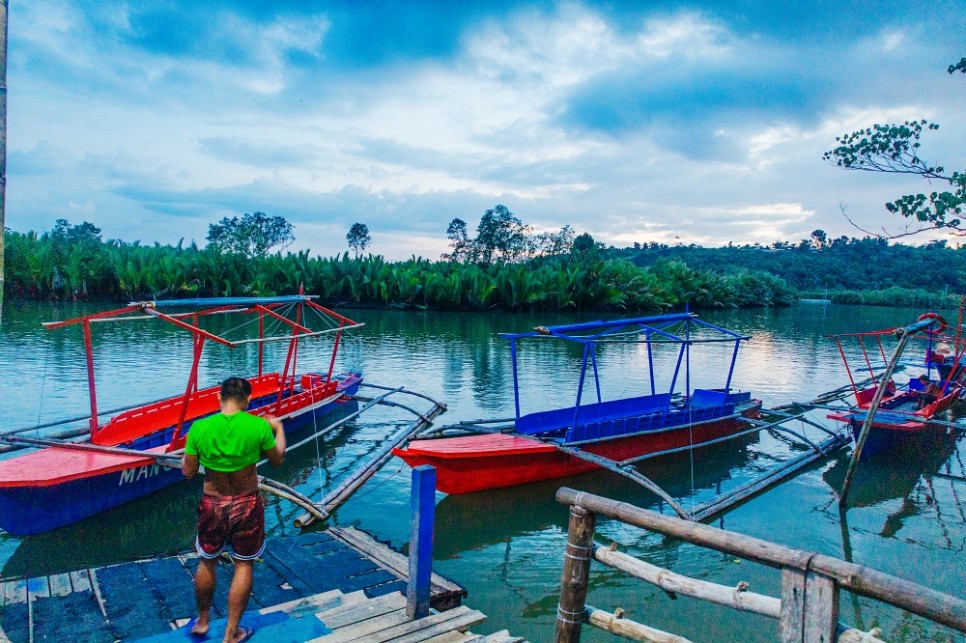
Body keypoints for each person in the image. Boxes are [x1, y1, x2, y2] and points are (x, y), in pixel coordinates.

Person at [182, 377, 286, 643]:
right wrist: (278, 428)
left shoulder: (199, 428)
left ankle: (203, 622)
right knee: (243, 564)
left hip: (212, 503)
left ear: (220, 397)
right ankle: (231, 633)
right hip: (246, 502)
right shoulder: (257, 426)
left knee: (208, 560)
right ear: (247, 399)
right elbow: (278, 460)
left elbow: (188, 472)